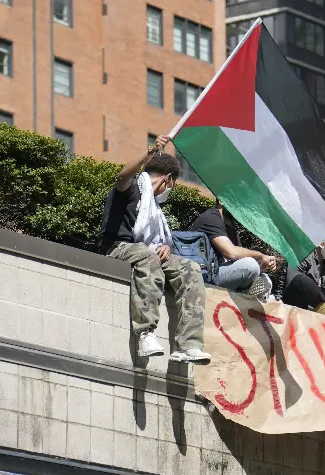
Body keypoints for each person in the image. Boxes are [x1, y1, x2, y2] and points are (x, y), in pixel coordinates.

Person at [98, 135, 210, 364]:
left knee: (190, 268)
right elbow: (122, 176)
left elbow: (159, 239)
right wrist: (150, 151)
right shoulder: (133, 188)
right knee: (148, 256)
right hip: (116, 247)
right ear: (168, 179)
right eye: (173, 185)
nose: (171, 190)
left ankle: (188, 345)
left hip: (145, 252)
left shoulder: (155, 209)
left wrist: (167, 248)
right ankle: (146, 333)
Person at [188, 202, 276, 300]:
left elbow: (237, 261)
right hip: (201, 276)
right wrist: (259, 256)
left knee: (266, 280)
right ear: (222, 201)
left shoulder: (230, 228)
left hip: (217, 274)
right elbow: (231, 253)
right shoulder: (211, 218)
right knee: (250, 265)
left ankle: (245, 299)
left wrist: (263, 264)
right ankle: (243, 296)